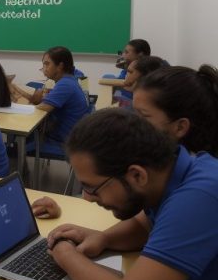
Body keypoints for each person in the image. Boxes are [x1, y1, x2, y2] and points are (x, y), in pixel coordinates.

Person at [44, 109, 218, 280]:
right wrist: (104, 238)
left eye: (92, 188)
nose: (87, 198)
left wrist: (64, 252)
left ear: (137, 175)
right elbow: (146, 224)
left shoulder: (199, 197)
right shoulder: (176, 171)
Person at [32, 64, 218, 220]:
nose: (131, 121)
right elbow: (138, 223)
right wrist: (66, 214)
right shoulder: (171, 163)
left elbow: (124, 209)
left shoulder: (194, 189)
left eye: (142, 116)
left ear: (180, 127)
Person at [11, 46, 89, 144]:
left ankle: (16, 153)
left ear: (60, 66)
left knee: (19, 129)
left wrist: (15, 107)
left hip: (63, 139)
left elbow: (42, 108)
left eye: (47, 64)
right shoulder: (69, 80)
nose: (44, 69)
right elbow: (43, 101)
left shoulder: (65, 84)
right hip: (71, 134)